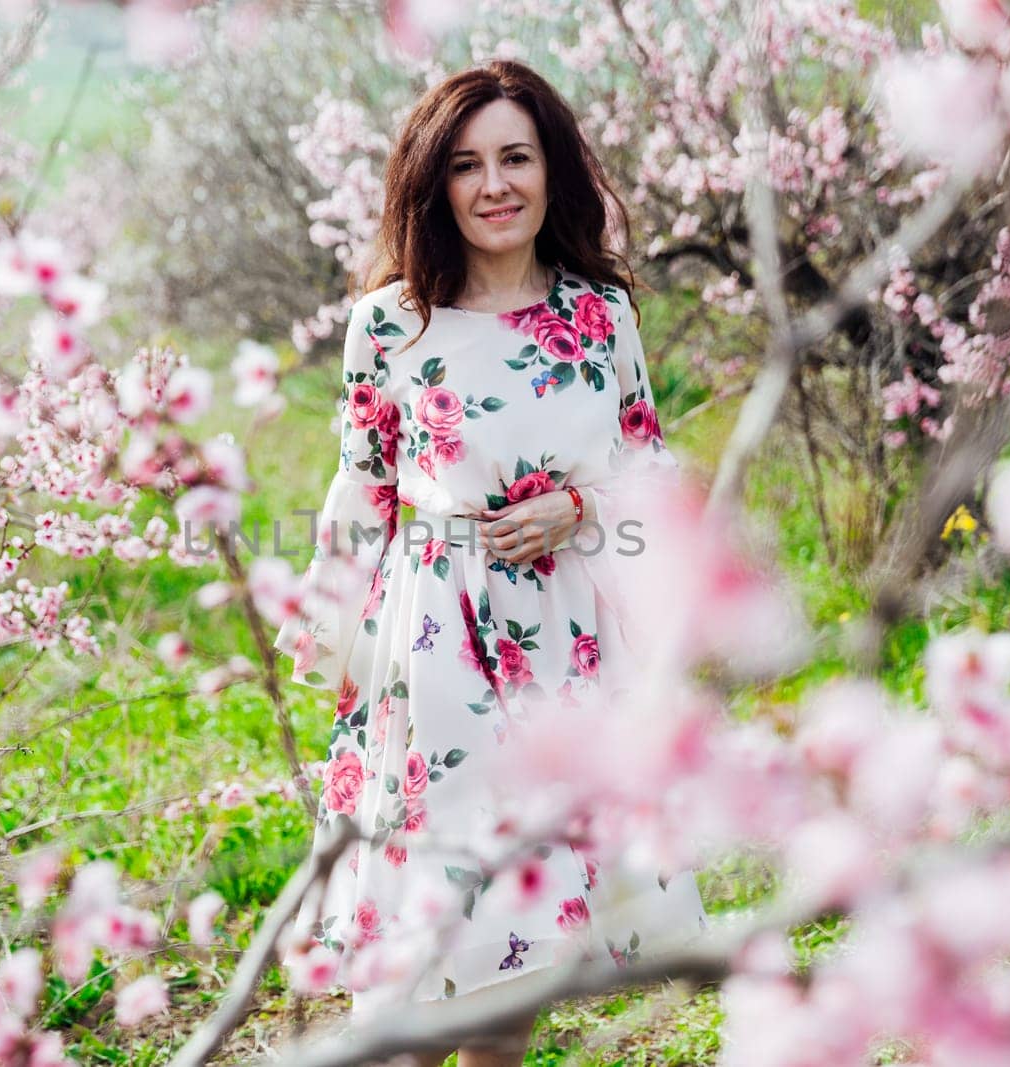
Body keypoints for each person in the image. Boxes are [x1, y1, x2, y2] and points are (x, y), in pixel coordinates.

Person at [274, 58, 706, 1066]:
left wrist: (578, 507)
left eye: (516, 157)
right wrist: (338, 652)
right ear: (436, 184)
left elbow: (649, 475)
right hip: (432, 648)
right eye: (466, 165)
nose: (494, 184)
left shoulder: (602, 314)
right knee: (427, 941)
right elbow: (363, 487)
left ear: (553, 172)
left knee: (517, 945)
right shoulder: (389, 324)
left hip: (564, 648)